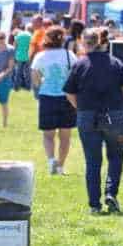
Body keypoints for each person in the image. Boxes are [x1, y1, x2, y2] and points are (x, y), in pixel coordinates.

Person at [63, 29, 123, 213]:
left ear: (83, 42)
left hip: (87, 116)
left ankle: (94, 204)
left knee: (93, 161)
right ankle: (111, 194)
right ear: (101, 42)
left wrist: (80, 108)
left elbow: (69, 92)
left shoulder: (79, 65)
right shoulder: (115, 63)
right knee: (116, 157)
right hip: (113, 116)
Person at [31, 26, 76, 175]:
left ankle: (51, 160)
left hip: (47, 98)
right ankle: (61, 166)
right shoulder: (70, 55)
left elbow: (35, 79)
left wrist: (43, 81)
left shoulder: (41, 56)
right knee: (65, 136)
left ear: (47, 39)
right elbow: (75, 75)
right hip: (67, 98)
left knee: (48, 135)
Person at [10, 22, 32, 91]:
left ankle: (16, 87)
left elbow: (15, 46)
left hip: (19, 56)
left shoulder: (19, 35)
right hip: (28, 56)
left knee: (18, 72)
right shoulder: (31, 36)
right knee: (28, 73)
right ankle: (28, 87)